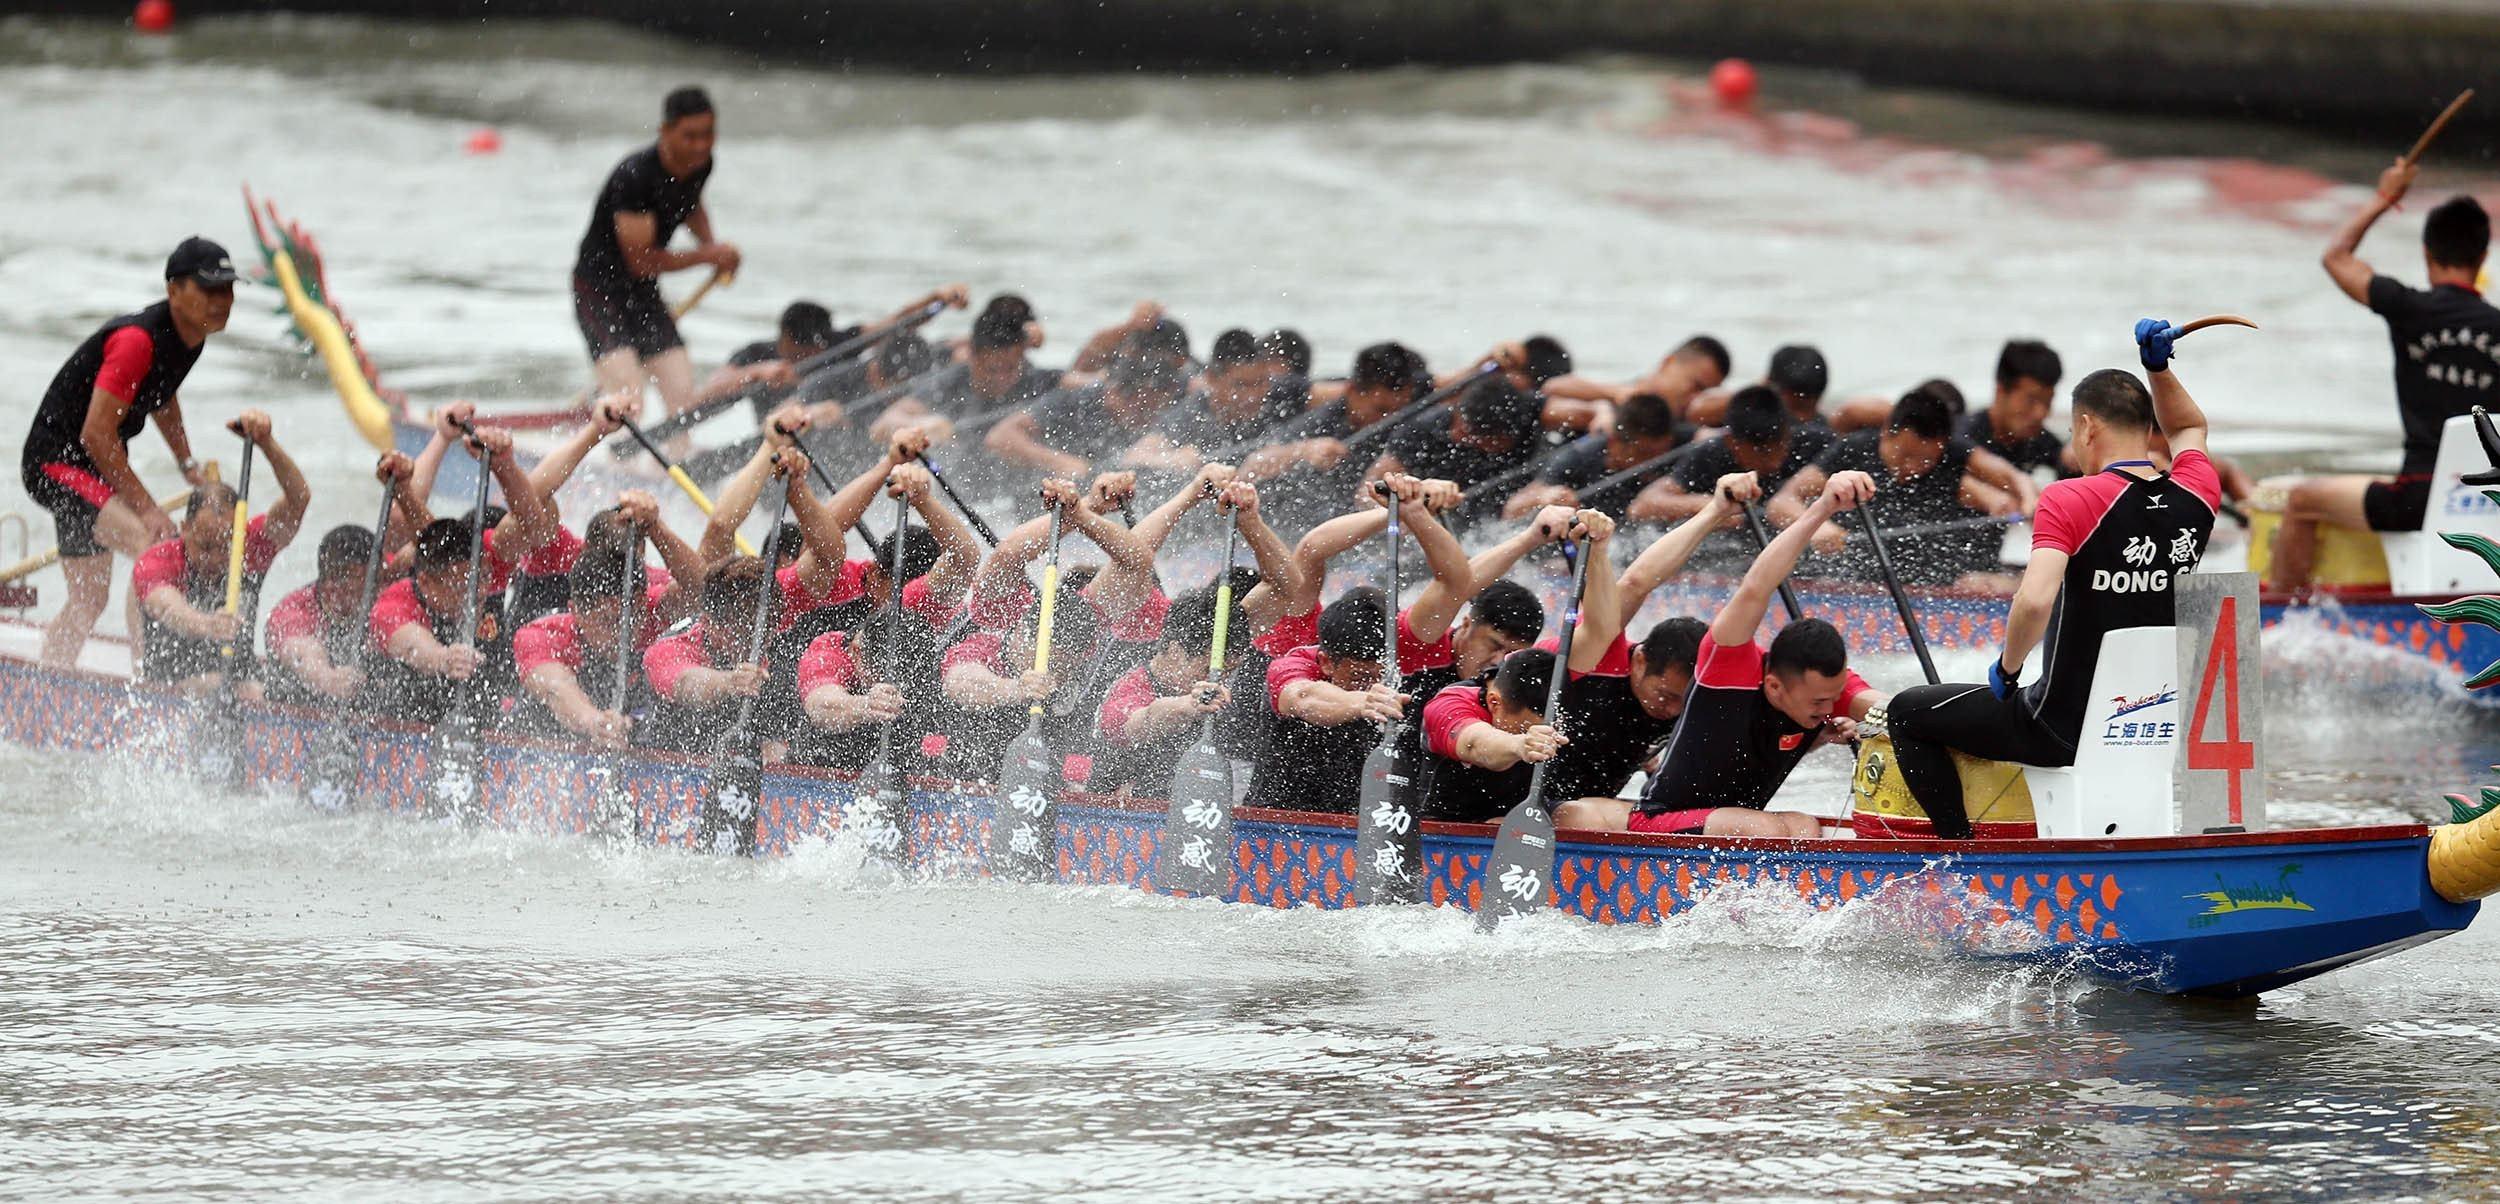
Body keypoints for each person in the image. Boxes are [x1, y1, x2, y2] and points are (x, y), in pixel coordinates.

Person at [1882, 327, 2223, 837]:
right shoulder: (2198, 492)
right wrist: (2160, 369)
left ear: (2086, 427)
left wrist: (2008, 667)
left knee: (1907, 712)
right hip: (2150, 730)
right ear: (2148, 429)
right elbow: (2191, 424)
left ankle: (1962, 855)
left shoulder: (2070, 498)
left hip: (2059, 729)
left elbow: (2034, 601)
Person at [1593, 470, 1887, 837]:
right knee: (1769, 827)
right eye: (1819, 702)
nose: (1828, 708)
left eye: (1832, 700)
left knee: (1804, 826)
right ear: (1775, 685)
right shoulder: (1730, 663)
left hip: (1729, 827)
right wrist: (1823, 508)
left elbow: (1892, 709)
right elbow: (1757, 586)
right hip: (1660, 821)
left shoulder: (1824, 688)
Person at [2274, 166, 2500, 589]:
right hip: (2489, 503)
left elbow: (2335, 258)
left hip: (2415, 498)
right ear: (2483, 257)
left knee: (2302, 501)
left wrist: (2385, 197)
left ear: (2427, 254)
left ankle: (2284, 623)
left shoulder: (2409, 308)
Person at [24, 236, 235, 669]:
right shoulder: (136, 341)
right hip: (56, 465)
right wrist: (148, 508)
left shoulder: (190, 337)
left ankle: (48, 677)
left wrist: (185, 462)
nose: (221, 301)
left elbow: (161, 396)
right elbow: (96, 436)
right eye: (208, 289)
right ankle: (150, 679)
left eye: (227, 289)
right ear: (173, 290)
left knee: (89, 599)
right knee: (153, 547)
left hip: (89, 468)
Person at [366, 426, 559, 724]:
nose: (478, 591)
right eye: (462, 585)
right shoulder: (395, 602)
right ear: (427, 582)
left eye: (481, 580)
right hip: (405, 725)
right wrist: (444, 659)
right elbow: (412, 643)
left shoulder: (481, 568)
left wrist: (504, 465)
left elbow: (534, 526)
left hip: (483, 724)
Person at [572, 86, 739, 417]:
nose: (700, 146)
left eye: (708, 135)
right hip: (599, 290)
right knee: (629, 402)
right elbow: (641, 261)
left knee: (683, 401)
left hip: (643, 293)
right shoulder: (634, 178)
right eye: (689, 136)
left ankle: (677, 458)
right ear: (665, 131)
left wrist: (711, 246)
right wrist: (707, 257)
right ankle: (614, 459)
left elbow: (691, 204)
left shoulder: (701, 164)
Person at [1770, 388, 2035, 584]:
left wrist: (2027, 500)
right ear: (1887, 433)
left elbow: (2014, 477)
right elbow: (1781, 502)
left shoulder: (1954, 452)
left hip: (1931, 586)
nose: (1912, 468)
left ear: (1942, 445)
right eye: (1904, 455)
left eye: (1926, 460)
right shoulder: (1853, 450)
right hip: (1850, 582)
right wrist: (1816, 526)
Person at [130, 411, 311, 692]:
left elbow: (299, 499)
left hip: (240, 677)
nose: (214, 559)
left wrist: (267, 444)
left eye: (225, 548)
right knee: (221, 685)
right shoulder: (158, 560)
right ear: (185, 527)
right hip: (171, 684)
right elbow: (167, 607)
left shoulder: (251, 545)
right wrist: (207, 625)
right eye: (205, 547)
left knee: (287, 690)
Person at [512, 492, 704, 746]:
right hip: (549, 748)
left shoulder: (652, 610)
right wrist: (596, 723)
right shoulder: (541, 634)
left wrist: (655, 528)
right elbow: (556, 688)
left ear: (640, 602)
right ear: (575, 610)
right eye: (606, 621)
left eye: (627, 618)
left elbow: (705, 593)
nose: (619, 632)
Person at [264, 453, 429, 708]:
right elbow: (299, 650)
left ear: (377, 577)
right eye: (332, 579)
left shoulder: (388, 590)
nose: (337, 591)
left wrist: (403, 488)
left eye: (351, 581)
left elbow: (436, 543)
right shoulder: (296, 608)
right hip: (306, 703)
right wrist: (326, 678)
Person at [1627, 385, 1832, 524]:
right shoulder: (1711, 454)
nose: (1774, 458)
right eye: (1760, 451)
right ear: (1732, 442)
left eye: (1779, 445)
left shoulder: (1815, 443)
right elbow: (1641, 506)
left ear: (1788, 432)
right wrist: (1708, 506)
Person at [984, 354, 1189, 479]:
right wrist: (1061, 463)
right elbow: (1000, 437)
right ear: (1115, 392)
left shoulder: (1165, 413)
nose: (1150, 418)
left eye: (1155, 410)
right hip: (1043, 494)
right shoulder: (1075, 403)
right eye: (1144, 409)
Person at [1504, 391, 1690, 518]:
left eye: (1660, 453)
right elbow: (1511, 509)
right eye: (1645, 453)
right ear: (1614, 442)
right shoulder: (1575, 459)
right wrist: (1543, 497)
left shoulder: (1678, 442)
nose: (1652, 462)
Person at [1368, 375, 1546, 498]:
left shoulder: (1533, 411)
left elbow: (1562, 392)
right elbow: (1369, 490)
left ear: (1498, 439)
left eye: (1465, 432)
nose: (1454, 433)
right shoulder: (1420, 431)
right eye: (1457, 422)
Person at [1538, 334, 1730, 434]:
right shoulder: (1616, 395)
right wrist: (1611, 397)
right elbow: (1553, 387)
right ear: (1669, 363)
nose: (1697, 398)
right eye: (1696, 386)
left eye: (1706, 393)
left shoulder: (1697, 422)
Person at [1960, 340, 2072, 479]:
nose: (2041, 413)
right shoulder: (1961, 436)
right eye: (2031, 400)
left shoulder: (2041, 442)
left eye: (2048, 402)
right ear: (2001, 391)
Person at [1686, 344, 1830, 430]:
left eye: (1807, 408)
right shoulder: (1748, 408)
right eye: (1796, 407)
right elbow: (1695, 414)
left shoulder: (1824, 427)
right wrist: (1757, 392)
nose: (1802, 417)